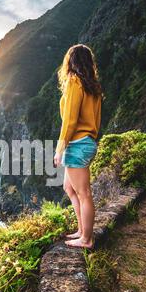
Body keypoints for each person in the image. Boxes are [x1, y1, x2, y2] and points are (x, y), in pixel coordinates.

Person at [54, 44, 102, 248]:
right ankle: (82, 230)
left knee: (83, 193)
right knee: (69, 188)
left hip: (77, 143)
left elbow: (70, 121)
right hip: (87, 142)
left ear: (70, 61)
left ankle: (87, 238)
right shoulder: (94, 87)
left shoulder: (75, 81)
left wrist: (59, 149)